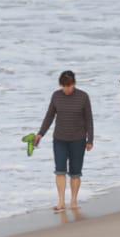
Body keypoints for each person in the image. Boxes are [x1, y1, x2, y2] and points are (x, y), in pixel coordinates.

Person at [34, 70, 94, 211]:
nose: (67, 89)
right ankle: (61, 201)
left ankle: (73, 201)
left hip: (78, 140)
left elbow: (89, 120)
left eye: (69, 85)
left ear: (74, 83)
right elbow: (49, 116)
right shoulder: (56, 96)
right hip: (59, 139)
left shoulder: (83, 97)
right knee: (60, 170)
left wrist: (90, 139)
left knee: (75, 172)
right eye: (64, 86)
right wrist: (40, 134)